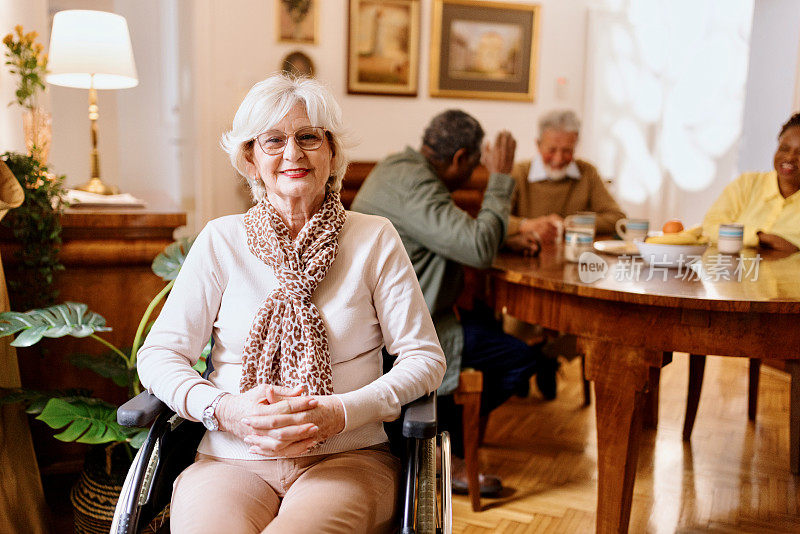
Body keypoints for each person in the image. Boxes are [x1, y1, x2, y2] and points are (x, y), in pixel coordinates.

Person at [136, 74, 446, 533]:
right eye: (273, 141)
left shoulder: (374, 238)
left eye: (309, 138)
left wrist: (342, 412)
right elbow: (160, 355)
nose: (293, 154)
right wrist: (226, 410)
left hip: (348, 457)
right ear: (249, 157)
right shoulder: (222, 240)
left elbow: (424, 358)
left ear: (334, 152)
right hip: (229, 458)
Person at [350, 110, 557, 497]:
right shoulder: (419, 186)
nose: (477, 168)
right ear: (461, 157)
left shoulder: (400, 167)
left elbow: (450, 229)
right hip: (402, 330)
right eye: (476, 162)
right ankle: (443, 449)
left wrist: (505, 236)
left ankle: (449, 439)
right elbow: (476, 247)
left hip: (398, 315)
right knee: (520, 358)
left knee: (488, 328)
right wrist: (500, 179)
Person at [506, 109, 625, 252]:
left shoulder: (588, 172)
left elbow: (618, 218)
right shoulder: (519, 172)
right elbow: (491, 220)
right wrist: (526, 225)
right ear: (538, 145)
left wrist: (571, 223)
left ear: (576, 146)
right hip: (527, 257)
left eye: (567, 151)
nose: (558, 158)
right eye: (552, 150)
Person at [703, 112, 800, 252]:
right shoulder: (747, 184)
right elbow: (710, 227)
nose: (790, 157)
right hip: (733, 271)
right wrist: (761, 238)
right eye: (784, 149)